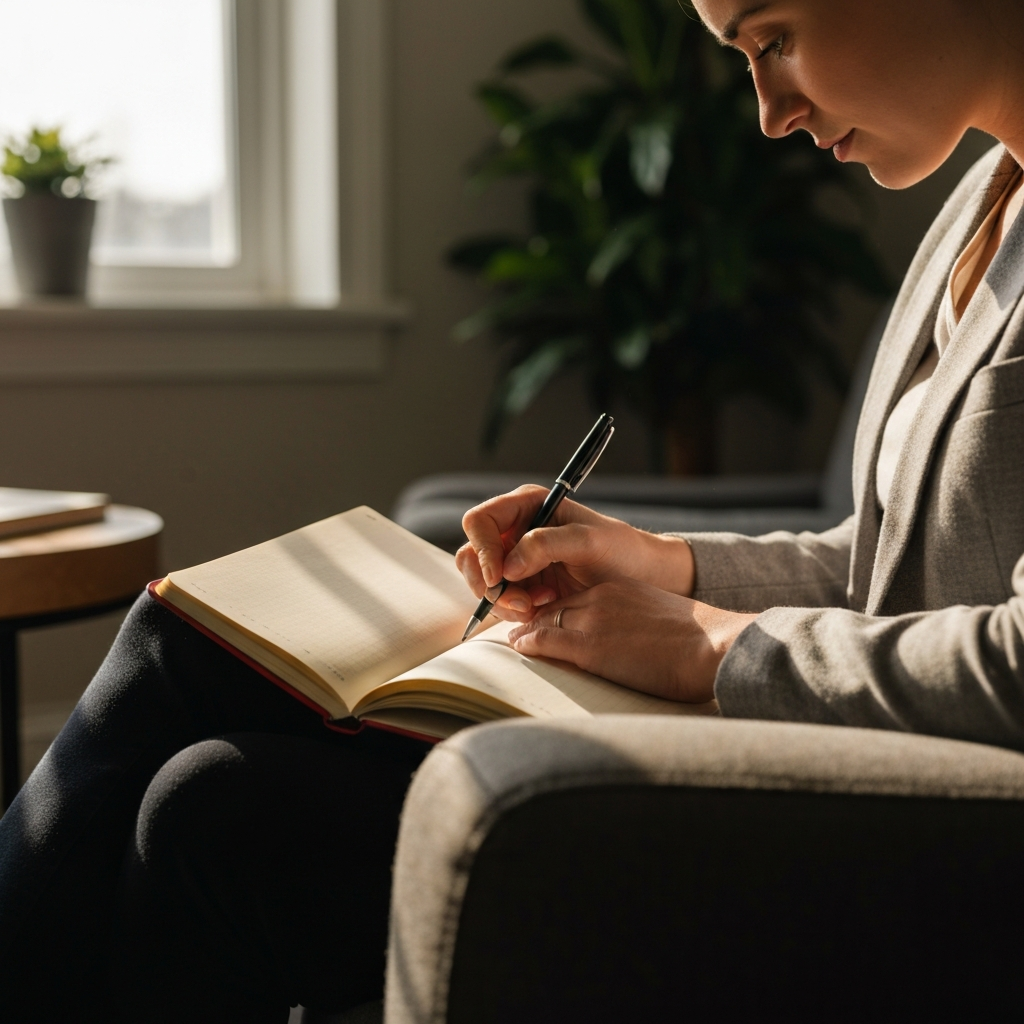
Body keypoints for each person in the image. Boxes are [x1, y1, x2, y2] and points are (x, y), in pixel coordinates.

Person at [3, 0, 1024, 1020]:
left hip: (911, 822)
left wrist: (714, 645)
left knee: (209, 780)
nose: (767, 111)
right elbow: (886, 567)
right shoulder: (983, 196)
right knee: (199, 751)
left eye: (774, 38)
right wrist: (661, 566)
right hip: (834, 741)